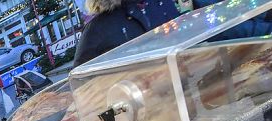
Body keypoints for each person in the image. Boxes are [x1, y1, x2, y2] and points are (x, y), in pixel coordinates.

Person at [74, 0, 272, 67]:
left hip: (187, 117)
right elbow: (82, 98)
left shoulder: (168, 5)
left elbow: (224, 24)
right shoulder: (98, 32)